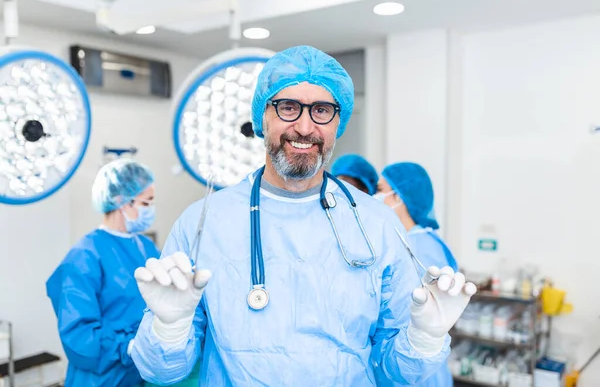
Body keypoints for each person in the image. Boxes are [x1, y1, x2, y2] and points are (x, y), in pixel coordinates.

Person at [130, 45, 476, 386]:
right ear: (262, 117)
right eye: (288, 107)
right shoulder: (204, 223)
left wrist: (424, 339)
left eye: (321, 110)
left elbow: (395, 373)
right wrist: (169, 329)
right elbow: (163, 372)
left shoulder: (376, 223)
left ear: (337, 122)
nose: (305, 127)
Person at [46, 158, 161, 387]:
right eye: (146, 203)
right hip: (101, 378)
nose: (150, 210)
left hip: (140, 374)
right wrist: (128, 346)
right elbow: (78, 334)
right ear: (122, 201)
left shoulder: (146, 248)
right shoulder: (85, 255)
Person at [374, 162, 459, 387]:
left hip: (417, 371)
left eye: (381, 190)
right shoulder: (417, 240)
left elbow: (405, 319)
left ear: (400, 197)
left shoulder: (421, 249)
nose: (375, 196)